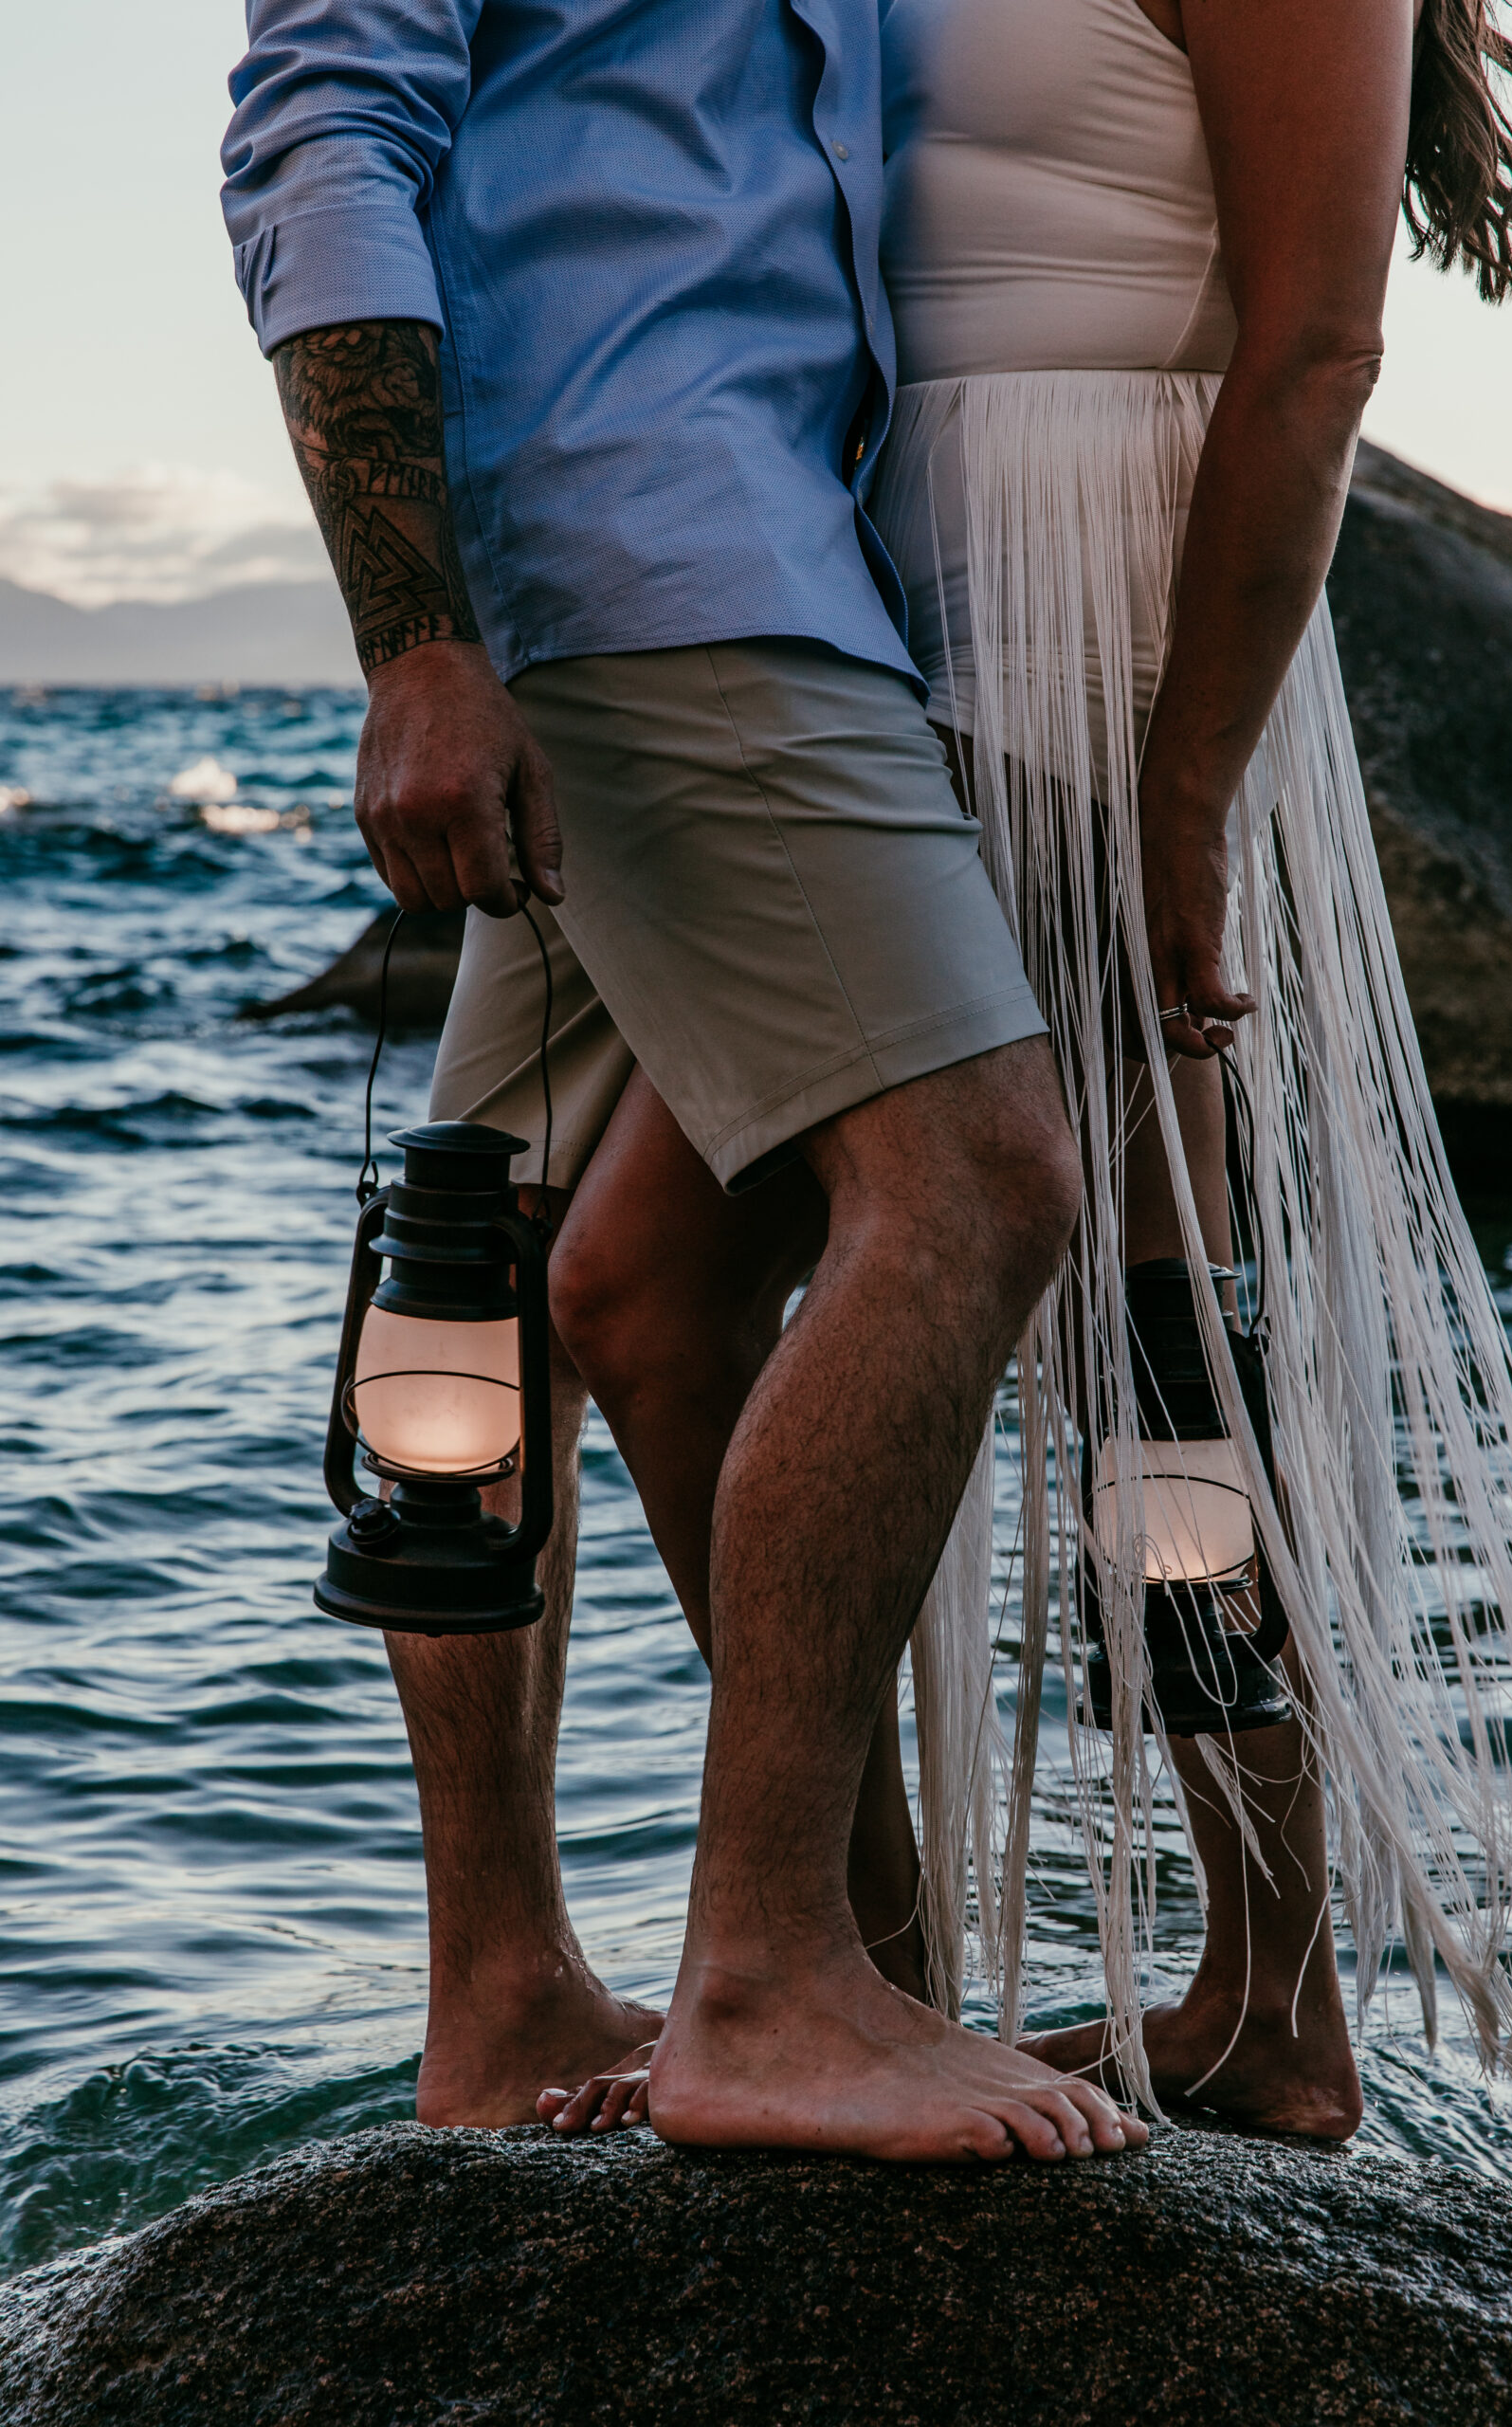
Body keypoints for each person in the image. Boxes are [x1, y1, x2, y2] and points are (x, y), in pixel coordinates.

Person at [222, 0, 1148, 2162]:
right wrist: (410, 644)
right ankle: (769, 1979)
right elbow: (319, 131)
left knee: (477, 1249)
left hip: (711, 546)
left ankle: (501, 1986)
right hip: (653, 550)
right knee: (977, 1182)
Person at [855, 0, 1512, 2138]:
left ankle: (1268, 1983)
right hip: (913, 590)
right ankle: (882, 1959)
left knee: (1147, 1331)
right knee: (1063, 1318)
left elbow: (1314, 349)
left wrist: (1179, 786)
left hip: (1096, 608)